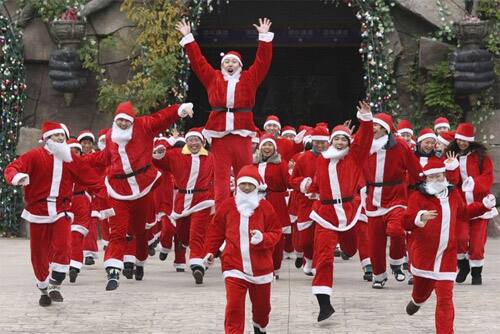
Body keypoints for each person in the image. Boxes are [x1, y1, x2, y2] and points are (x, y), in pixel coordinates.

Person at [84, 100, 194, 290]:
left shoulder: (143, 126)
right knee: (118, 232)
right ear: (115, 121)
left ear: (132, 120)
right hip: (118, 189)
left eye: (127, 121)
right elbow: (104, 158)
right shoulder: (111, 136)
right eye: (120, 121)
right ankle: (113, 270)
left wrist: (179, 110)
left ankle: (140, 260)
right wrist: (80, 161)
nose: (123, 124)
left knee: (139, 230)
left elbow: (162, 118)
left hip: (143, 185)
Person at [4, 121, 106, 306]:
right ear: (46, 139)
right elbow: (11, 169)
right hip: (37, 211)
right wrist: (18, 177)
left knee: (63, 245)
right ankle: (43, 286)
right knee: (39, 252)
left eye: (62, 136)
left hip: (61, 210)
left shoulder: (71, 159)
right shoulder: (34, 156)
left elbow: (91, 179)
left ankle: (56, 283)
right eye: (55, 135)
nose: (60, 138)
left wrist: (107, 198)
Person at [176, 18, 273, 207]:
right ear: (222, 64)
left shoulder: (249, 78)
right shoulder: (213, 78)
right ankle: (221, 213)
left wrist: (264, 38)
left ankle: (246, 209)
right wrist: (188, 38)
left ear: (240, 65)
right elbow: (198, 62)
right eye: (226, 61)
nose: (230, 64)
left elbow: (263, 62)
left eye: (233, 62)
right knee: (220, 177)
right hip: (219, 132)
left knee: (244, 173)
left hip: (242, 131)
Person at [403, 159, 495, 333]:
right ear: (426, 179)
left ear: (444, 175)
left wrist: (483, 206)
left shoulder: (453, 195)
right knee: (421, 290)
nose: (436, 180)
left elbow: (464, 213)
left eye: (439, 176)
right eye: (432, 177)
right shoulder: (418, 196)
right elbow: (406, 222)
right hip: (424, 255)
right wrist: (420, 217)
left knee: (445, 298)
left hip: (447, 255)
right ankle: (417, 300)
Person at [307, 101, 373, 323]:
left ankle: (348, 250)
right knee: (324, 258)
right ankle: (324, 304)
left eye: (344, 139)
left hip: (349, 210)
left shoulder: (354, 158)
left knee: (351, 246)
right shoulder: (321, 162)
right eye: (336, 138)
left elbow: (364, 141)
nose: (340, 142)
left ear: (348, 143)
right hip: (325, 213)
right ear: (330, 141)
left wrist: (365, 118)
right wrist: (311, 189)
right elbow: (317, 183)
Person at [203, 165, 281, 334]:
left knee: (262, 309)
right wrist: (210, 251)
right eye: (243, 184)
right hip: (233, 266)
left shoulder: (265, 207)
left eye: (250, 185)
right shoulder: (227, 206)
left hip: (261, 267)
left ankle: (259, 325)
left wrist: (263, 238)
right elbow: (216, 230)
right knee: (234, 307)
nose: (246, 188)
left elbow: (276, 232)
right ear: (237, 186)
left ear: (256, 186)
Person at [363, 113, 422, 288]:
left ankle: (397, 263)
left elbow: (414, 168)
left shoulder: (400, 145)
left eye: (376, 125)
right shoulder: (366, 146)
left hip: (396, 195)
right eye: (371, 125)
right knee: (375, 242)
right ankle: (379, 276)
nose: (372, 128)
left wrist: (424, 187)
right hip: (373, 197)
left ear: (385, 129)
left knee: (396, 230)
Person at [154, 128, 215, 284]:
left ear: (202, 142)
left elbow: (219, 176)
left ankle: (196, 265)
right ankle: (170, 244)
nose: (194, 143)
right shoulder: (176, 155)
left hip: (203, 199)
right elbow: (158, 161)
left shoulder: (211, 158)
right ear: (186, 142)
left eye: (197, 140)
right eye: (191, 140)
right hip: (182, 199)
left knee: (197, 233)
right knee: (181, 234)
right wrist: (159, 152)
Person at [445, 123, 497, 285]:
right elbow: (451, 182)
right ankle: (464, 266)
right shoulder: (451, 155)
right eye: (459, 140)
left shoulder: (482, 157)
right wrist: (452, 166)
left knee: (477, 243)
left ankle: (476, 273)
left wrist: (474, 183)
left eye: (465, 141)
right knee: (459, 239)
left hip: (480, 203)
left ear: (471, 141)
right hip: (461, 205)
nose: (461, 143)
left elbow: (488, 177)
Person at [289, 126, 330, 275]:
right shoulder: (303, 158)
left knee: (322, 236)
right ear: (312, 142)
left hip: (326, 202)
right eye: (317, 142)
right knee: (305, 238)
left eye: (323, 142)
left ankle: (318, 264)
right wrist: (304, 183)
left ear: (328, 143)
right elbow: (293, 180)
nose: (320, 145)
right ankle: (308, 258)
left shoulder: (333, 157)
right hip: (306, 202)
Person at [253, 133, 291, 279]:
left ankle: (275, 267)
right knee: (258, 233)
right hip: (256, 201)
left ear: (274, 148)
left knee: (276, 235)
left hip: (276, 200)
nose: (267, 148)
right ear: (260, 147)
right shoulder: (253, 163)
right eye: (264, 145)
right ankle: (260, 265)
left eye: (270, 145)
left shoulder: (281, 164)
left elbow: (288, 181)